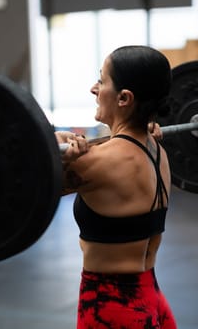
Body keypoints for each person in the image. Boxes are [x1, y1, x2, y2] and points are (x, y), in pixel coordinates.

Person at [55, 45, 177, 329]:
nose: (93, 89)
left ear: (124, 98)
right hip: (151, 298)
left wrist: (52, 146)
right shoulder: (156, 149)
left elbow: (22, 187)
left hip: (111, 310)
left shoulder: (96, 163)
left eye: (101, 80)